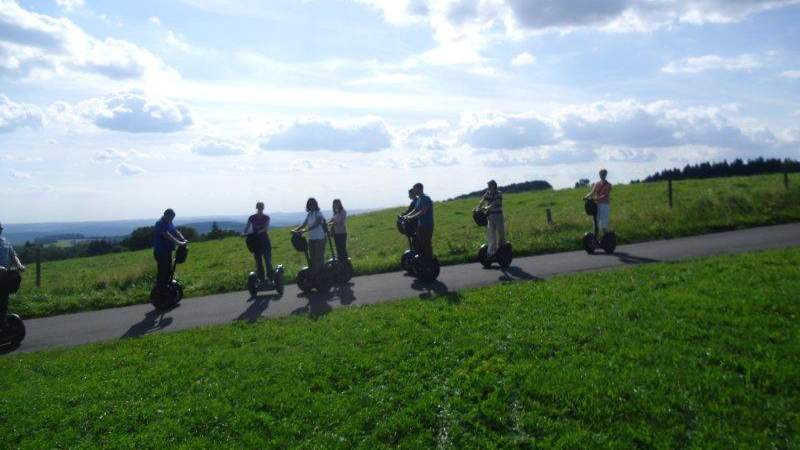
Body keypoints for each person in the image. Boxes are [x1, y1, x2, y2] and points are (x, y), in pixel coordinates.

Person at [152, 209, 188, 289]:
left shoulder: (169, 222)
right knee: (163, 272)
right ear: (166, 215)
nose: (172, 220)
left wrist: (183, 239)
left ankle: (166, 290)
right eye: (171, 218)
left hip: (168, 251)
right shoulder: (160, 223)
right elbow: (167, 235)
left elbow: (175, 231)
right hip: (161, 252)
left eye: (173, 218)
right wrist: (179, 243)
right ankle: (159, 291)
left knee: (169, 271)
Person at [0, 222, 25, 331]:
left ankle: (3, 324)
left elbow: (13, 255)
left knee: (3, 301)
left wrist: (19, 265)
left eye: (0, 228)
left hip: (4, 278)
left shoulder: (6, 242)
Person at [292, 198, 327, 274]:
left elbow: (316, 224)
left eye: (313, 204)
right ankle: (316, 274)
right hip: (311, 239)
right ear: (308, 206)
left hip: (319, 238)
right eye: (310, 204)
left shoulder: (318, 214)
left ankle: (322, 274)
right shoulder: (309, 214)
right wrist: (295, 230)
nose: (311, 205)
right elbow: (303, 224)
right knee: (312, 258)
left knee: (319, 257)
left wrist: (305, 230)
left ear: (315, 204)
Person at [403, 183, 434, 261]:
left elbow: (422, 211)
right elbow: (415, 210)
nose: (413, 190)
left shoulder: (425, 198)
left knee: (425, 243)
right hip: (421, 225)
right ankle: (423, 260)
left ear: (420, 189)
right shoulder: (419, 198)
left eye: (415, 189)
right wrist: (407, 216)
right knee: (419, 243)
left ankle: (429, 261)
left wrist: (411, 217)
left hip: (427, 224)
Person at [474, 180, 505, 257]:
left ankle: (502, 250)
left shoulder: (499, 193)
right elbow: (482, 201)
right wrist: (477, 208)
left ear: (494, 186)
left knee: (500, 233)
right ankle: (492, 252)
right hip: (490, 216)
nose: (489, 187)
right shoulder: (487, 193)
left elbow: (495, 203)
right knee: (492, 234)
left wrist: (486, 207)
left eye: (490, 186)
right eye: (488, 186)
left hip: (498, 216)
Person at [244, 201, 273, 281]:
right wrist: (245, 233)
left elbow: (266, 228)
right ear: (257, 207)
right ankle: (261, 278)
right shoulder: (252, 217)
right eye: (259, 207)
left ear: (263, 208)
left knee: (267, 261)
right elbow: (246, 227)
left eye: (261, 207)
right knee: (258, 262)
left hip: (265, 241)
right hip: (256, 242)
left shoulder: (266, 217)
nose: (260, 208)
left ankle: (270, 277)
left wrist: (259, 231)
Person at [585, 169, 613, 235]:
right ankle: (595, 239)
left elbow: (605, 195)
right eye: (601, 174)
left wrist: (596, 199)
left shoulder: (609, 185)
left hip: (605, 205)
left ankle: (607, 239)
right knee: (595, 222)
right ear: (599, 175)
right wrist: (586, 196)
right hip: (597, 205)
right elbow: (592, 192)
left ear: (606, 175)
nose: (602, 176)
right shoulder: (597, 184)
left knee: (603, 224)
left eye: (603, 174)